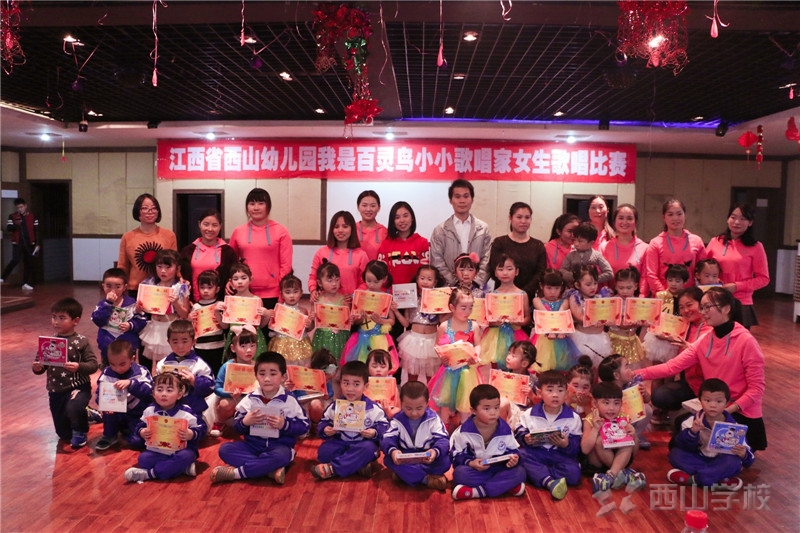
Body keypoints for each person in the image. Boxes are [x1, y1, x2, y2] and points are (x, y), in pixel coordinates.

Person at [635, 287, 767, 451]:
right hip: (714, 407)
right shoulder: (706, 339)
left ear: (726, 308)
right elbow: (671, 367)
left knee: (727, 455)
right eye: (702, 307)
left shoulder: (746, 341)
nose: (703, 312)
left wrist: (726, 411)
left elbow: (756, 389)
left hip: (739, 411)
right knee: (677, 444)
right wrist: (633, 374)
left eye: (708, 307)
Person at [210, 352, 310, 484]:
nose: (267, 379)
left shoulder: (289, 400)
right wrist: (245, 422)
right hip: (252, 446)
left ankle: (236, 474)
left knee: (282, 456)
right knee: (225, 450)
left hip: (278, 447)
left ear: (283, 377)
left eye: (273, 374)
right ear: (256, 376)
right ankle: (269, 470)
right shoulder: (250, 399)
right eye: (262, 374)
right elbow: (237, 426)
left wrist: (284, 425)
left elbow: (304, 426)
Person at [32, 297, 99, 449]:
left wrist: (78, 366)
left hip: (78, 387)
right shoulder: (49, 342)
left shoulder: (81, 341)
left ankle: (80, 431)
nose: (56, 322)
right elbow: (40, 365)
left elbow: (93, 365)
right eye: (54, 317)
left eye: (62, 318)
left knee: (74, 407)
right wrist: (37, 368)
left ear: (75, 321)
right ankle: (88, 414)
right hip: (55, 390)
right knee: (63, 434)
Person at [667, 378, 755, 490]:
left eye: (719, 401)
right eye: (707, 400)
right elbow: (682, 445)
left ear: (727, 403)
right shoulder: (691, 421)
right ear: (700, 401)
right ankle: (718, 480)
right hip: (698, 457)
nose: (713, 405)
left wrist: (744, 454)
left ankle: (693, 480)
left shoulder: (735, 427)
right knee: (675, 454)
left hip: (721, 459)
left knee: (734, 462)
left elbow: (749, 458)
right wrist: (693, 432)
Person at [312, 361, 389, 480]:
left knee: (368, 449)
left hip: (362, 444)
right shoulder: (335, 407)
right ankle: (358, 465)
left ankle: (333, 469)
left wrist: (374, 432)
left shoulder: (373, 408)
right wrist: (326, 429)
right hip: (340, 443)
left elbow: (385, 426)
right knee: (324, 452)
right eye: (346, 383)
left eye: (356, 384)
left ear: (366, 386)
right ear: (340, 383)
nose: (350, 389)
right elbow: (323, 422)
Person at [124, 372, 206, 482]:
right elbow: (139, 425)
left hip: (181, 450)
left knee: (186, 456)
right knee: (143, 459)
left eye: (169, 390)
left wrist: (191, 434)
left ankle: (150, 474)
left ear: (179, 395)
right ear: (153, 394)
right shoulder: (149, 410)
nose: (164, 394)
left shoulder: (186, 412)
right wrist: (142, 431)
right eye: (159, 390)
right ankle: (181, 468)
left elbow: (202, 427)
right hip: (157, 450)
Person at [450, 384, 526, 500]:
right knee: (460, 473)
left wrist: (514, 460)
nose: (493, 413)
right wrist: (471, 463)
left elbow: (514, 450)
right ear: (473, 410)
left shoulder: (505, 429)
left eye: (496, 407)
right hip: (476, 471)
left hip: (499, 469)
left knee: (520, 472)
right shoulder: (463, 432)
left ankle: (478, 492)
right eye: (486, 408)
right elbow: (455, 456)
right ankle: (503, 486)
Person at [515, 370, 583, 501]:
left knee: (574, 473)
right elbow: (519, 431)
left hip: (560, 456)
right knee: (521, 456)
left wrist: (566, 444)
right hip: (536, 453)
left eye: (560, 390)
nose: (555, 395)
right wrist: (525, 438)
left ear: (566, 394)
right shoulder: (529, 413)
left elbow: (576, 445)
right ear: (540, 393)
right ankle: (550, 482)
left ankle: (541, 475)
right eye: (550, 390)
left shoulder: (573, 417)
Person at [647, 286, 711, 415]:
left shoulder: (712, 328)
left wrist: (692, 349)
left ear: (701, 304)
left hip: (708, 385)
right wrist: (665, 339)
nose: (686, 310)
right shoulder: (682, 325)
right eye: (681, 307)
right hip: (689, 382)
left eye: (689, 305)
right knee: (660, 395)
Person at [581, 382, 646, 506]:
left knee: (627, 441)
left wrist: (634, 436)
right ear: (595, 403)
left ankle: (612, 476)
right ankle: (622, 475)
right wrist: (595, 429)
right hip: (598, 463)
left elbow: (635, 451)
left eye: (616, 403)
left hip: (620, 459)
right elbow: (585, 449)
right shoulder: (590, 419)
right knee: (600, 441)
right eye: (606, 403)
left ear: (621, 404)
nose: (611, 408)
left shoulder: (624, 419)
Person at [705, 203, 769, 328]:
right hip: (715, 300)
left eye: (742, 219)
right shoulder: (715, 241)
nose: (737, 222)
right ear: (727, 219)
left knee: (737, 339)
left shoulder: (756, 247)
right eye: (733, 217)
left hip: (741, 302)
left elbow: (763, 279)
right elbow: (703, 268)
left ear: (750, 223)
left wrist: (736, 286)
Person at [228, 188, 293, 309]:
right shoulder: (238, 231)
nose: (256, 208)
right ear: (247, 207)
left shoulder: (281, 231)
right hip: (244, 292)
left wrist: (282, 291)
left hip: (273, 293)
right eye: (252, 204)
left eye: (261, 203)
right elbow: (230, 261)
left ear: (268, 207)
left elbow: (286, 266)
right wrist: (230, 280)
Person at [381, 381, 452, 491]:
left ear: (427, 403)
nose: (414, 413)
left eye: (419, 408)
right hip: (405, 455)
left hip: (427, 456)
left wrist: (434, 451)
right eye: (408, 408)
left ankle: (405, 475)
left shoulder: (433, 419)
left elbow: (443, 440)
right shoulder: (397, 419)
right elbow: (387, 439)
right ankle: (426, 479)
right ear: (401, 403)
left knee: (446, 461)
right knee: (389, 459)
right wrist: (394, 451)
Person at [428, 288, 484, 428]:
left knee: (466, 404)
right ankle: (443, 431)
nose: (467, 311)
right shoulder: (444, 326)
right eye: (463, 308)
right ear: (452, 307)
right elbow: (437, 346)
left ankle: (464, 430)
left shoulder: (474, 326)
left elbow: (478, 344)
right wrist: (442, 357)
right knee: (445, 405)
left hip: (467, 372)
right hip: (449, 372)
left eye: (470, 307)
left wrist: (475, 355)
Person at [429, 179, 492, 287]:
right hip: (448, 288)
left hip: (476, 289)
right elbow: (437, 261)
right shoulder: (440, 230)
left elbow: (487, 258)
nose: (462, 201)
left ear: (472, 199)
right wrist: (454, 282)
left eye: (466, 196)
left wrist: (476, 283)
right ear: (451, 200)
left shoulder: (483, 229)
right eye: (457, 197)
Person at [94, 339, 153, 451]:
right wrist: (102, 400)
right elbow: (99, 393)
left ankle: (128, 429)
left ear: (132, 359)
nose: (117, 368)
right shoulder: (107, 373)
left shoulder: (141, 371)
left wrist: (131, 384)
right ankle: (110, 435)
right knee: (109, 412)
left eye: (122, 364)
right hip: (116, 413)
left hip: (137, 414)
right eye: (112, 364)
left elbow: (149, 392)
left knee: (138, 442)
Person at [137, 249, 191, 367]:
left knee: (169, 363)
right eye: (159, 266)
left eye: (168, 267)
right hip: (153, 327)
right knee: (149, 362)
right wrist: (139, 307)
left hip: (171, 327)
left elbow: (184, 314)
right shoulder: (149, 284)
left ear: (177, 268)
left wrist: (176, 303)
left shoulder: (181, 287)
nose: (163, 271)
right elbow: (140, 309)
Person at [341, 260, 399, 369]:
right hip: (361, 337)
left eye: (376, 282)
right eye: (368, 281)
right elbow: (354, 321)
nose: (371, 285)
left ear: (384, 279)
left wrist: (382, 321)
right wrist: (359, 319)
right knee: (361, 366)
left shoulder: (386, 297)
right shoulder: (360, 296)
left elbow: (392, 320)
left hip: (379, 338)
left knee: (378, 366)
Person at [117, 193, 178, 296]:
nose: (150, 211)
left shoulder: (169, 235)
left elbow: (174, 263)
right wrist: (119, 287)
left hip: (162, 288)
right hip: (135, 289)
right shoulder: (127, 237)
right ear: (137, 211)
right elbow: (122, 266)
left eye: (154, 208)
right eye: (145, 208)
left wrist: (180, 279)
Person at [155, 320, 215, 420]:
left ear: (193, 341)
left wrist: (194, 381)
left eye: (185, 341)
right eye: (175, 342)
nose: (180, 346)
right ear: (168, 342)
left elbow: (211, 386)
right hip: (168, 409)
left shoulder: (199, 364)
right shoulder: (162, 364)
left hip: (193, 409)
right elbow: (156, 387)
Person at [479, 253, 530, 371]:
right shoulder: (492, 295)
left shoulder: (522, 294)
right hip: (495, 336)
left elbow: (527, 318)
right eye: (500, 269)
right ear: (495, 273)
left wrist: (518, 321)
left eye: (509, 269)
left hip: (516, 333)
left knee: (517, 366)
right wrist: (493, 322)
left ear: (516, 271)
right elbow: (487, 319)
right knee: (496, 368)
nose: (505, 273)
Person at [644, 198, 707, 293]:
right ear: (664, 217)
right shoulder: (655, 243)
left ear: (685, 215)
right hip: (663, 296)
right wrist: (665, 295)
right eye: (670, 214)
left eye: (679, 214)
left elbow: (703, 272)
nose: (675, 218)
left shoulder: (696, 241)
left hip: (690, 296)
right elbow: (651, 274)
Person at [488, 202, 547, 302]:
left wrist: (523, 293)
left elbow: (540, 273)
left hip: (529, 297)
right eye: (519, 217)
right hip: (502, 296)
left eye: (527, 217)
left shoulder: (538, 245)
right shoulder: (499, 243)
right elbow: (493, 269)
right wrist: (511, 291)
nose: (523, 221)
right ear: (510, 218)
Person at [395, 264, 444, 383]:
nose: (425, 282)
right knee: (412, 375)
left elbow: (442, 320)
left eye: (429, 279)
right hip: (413, 340)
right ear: (417, 279)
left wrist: (451, 310)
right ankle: (411, 393)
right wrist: (395, 310)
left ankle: (428, 395)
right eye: (422, 278)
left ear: (435, 282)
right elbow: (406, 323)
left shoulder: (439, 299)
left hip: (432, 340)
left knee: (430, 376)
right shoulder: (411, 297)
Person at [209, 325, 259, 438]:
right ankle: (220, 423)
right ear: (233, 348)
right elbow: (217, 388)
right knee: (225, 404)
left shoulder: (258, 366)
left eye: (252, 345)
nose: (249, 350)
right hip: (232, 398)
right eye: (243, 346)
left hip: (251, 399)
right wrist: (230, 393)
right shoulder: (227, 366)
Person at [179, 208, 238, 302]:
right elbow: (180, 273)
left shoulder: (228, 252)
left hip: (219, 303)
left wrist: (230, 281)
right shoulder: (187, 251)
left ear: (220, 226)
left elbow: (235, 274)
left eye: (214, 225)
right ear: (199, 224)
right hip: (192, 302)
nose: (210, 229)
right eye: (206, 224)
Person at [91, 267, 146, 366]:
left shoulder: (132, 303)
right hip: (108, 347)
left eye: (118, 286)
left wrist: (130, 325)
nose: (113, 290)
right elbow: (98, 320)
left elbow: (141, 320)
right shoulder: (102, 304)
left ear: (125, 287)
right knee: (108, 370)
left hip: (128, 347)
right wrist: (108, 303)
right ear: (103, 286)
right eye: (108, 286)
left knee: (129, 370)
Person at [308, 211, 369, 299]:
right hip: (326, 302)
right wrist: (313, 290)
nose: (340, 230)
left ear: (352, 229)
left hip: (350, 303)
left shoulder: (361, 255)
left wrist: (354, 296)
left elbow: (364, 282)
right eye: (336, 227)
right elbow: (313, 277)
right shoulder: (321, 252)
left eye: (345, 226)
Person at [598, 354, 653, 450]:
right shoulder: (605, 391)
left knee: (647, 409)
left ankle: (635, 436)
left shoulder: (631, 385)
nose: (630, 369)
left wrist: (644, 393)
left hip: (628, 422)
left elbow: (647, 401)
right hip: (611, 424)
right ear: (616, 375)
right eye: (627, 366)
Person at [215, 262, 270, 357]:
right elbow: (225, 326)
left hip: (253, 338)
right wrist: (216, 312)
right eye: (235, 279)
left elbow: (260, 325)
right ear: (231, 282)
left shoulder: (256, 300)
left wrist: (266, 314)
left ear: (251, 279)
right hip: (235, 337)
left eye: (243, 278)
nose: (240, 282)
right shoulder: (229, 301)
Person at [531, 269, 579, 372]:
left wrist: (561, 331)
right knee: (541, 366)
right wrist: (550, 331)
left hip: (561, 338)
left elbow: (561, 314)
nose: (553, 292)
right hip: (543, 338)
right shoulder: (537, 300)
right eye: (549, 288)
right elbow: (545, 314)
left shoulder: (565, 301)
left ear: (561, 287)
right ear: (541, 286)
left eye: (557, 288)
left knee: (561, 366)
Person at [641, 263, 690, 365]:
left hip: (676, 337)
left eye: (677, 281)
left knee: (673, 367)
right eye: (670, 280)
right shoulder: (660, 295)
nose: (673, 284)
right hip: (660, 336)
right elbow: (654, 316)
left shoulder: (687, 297)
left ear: (685, 282)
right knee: (657, 365)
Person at [567, 265, 613, 366]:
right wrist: (594, 321)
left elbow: (609, 316)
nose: (593, 287)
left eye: (595, 283)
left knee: (599, 367)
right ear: (577, 285)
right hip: (583, 338)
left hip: (600, 338)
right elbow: (579, 317)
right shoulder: (575, 297)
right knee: (583, 366)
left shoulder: (600, 298)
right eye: (588, 284)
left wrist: (608, 320)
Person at [600, 203, 649, 295]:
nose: (625, 222)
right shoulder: (604, 247)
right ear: (614, 221)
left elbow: (645, 276)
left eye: (629, 218)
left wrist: (641, 296)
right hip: (609, 298)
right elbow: (602, 276)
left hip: (636, 298)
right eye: (621, 218)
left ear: (635, 222)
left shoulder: (645, 248)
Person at [377, 201, 430, 285]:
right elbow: (380, 273)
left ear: (412, 218)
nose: (402, 220)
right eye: (397, 217)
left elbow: (426, 272)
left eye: (405, 216)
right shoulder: (386, 244)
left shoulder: (422, 242)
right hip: (391, 291)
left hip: (415, 291)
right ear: (392, 221)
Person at [267, 273, 314, 368]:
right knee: (282, 367)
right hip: (281, 344)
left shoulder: (303, 310)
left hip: (300, 345)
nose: (292, 296)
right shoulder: (278, 310)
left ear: (301, 292)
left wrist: (309, 324)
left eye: (295, 292)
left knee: (299, 368)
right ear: (282, 294)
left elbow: (308, 329)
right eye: (287, 292)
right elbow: (272, 326)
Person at [309, 262, 351, 362]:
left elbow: (348, 322)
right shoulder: (317, 300)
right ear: (320, 283)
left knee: (338, 362)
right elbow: (312, 324)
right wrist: (311, 318)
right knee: (322, 363)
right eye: (329, 280)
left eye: (337, 280)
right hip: (322, 337)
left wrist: (347, 312)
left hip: (340, 338)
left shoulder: (344, 300)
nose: (334, 284)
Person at [187, 269, 226, 376]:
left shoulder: (220, 305)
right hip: (200, 346)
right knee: (203, 372)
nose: (205, 291)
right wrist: (189, 319)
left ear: (217, 289)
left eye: (209, 287)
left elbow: (225, 326)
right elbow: (192, 329)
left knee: (217, 372)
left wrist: (218, 314)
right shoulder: (196, 306)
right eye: (202, 287)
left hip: (218, 345)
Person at [607, 266, 646, 368]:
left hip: (632, 342)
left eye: (629, 288)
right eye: (621, 288)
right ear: (615, 286)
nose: (625, 291)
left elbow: (645, 324)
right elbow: (620, 325)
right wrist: (634, 324)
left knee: (631, 370)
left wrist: (643, 323)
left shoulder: (639, 303)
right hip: (614, 341)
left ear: (636, 286)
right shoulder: (612, 302)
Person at [499, 340, 538, 429]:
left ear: (524, 363)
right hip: (502, 410)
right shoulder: (501, 375)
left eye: (513, 356)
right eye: (509, 353)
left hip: (521, 415)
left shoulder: (533, 380)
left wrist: (531, 395)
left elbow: (539, 404)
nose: (508, 357)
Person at [1, 197, 38, 289]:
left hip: (29, 243)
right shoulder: (12, 216)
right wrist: (16, 225)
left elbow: (36, 230)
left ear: (25, 206)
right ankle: (3, 277)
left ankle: (25, 283)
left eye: (21, 207)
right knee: (15, 260)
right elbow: (8, 228)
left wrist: (36, 243)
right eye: (18, 208)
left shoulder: (32, 216)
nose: (20, 209)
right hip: (17, 242)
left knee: (28, 262)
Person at [366, 349, 401, 419]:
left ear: (389, 369)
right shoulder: (364, 383)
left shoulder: (392, 385)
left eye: (383, 367)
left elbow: (398, 407)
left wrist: (389, 412)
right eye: (374, 366)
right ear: (367, 367)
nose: (378, 369)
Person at [355, 190, 388, 261]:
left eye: (373, 206)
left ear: (379, 208)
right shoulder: (352, 230)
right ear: (358, 207)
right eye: (364, 205)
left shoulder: (385, 232)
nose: (368, 209)